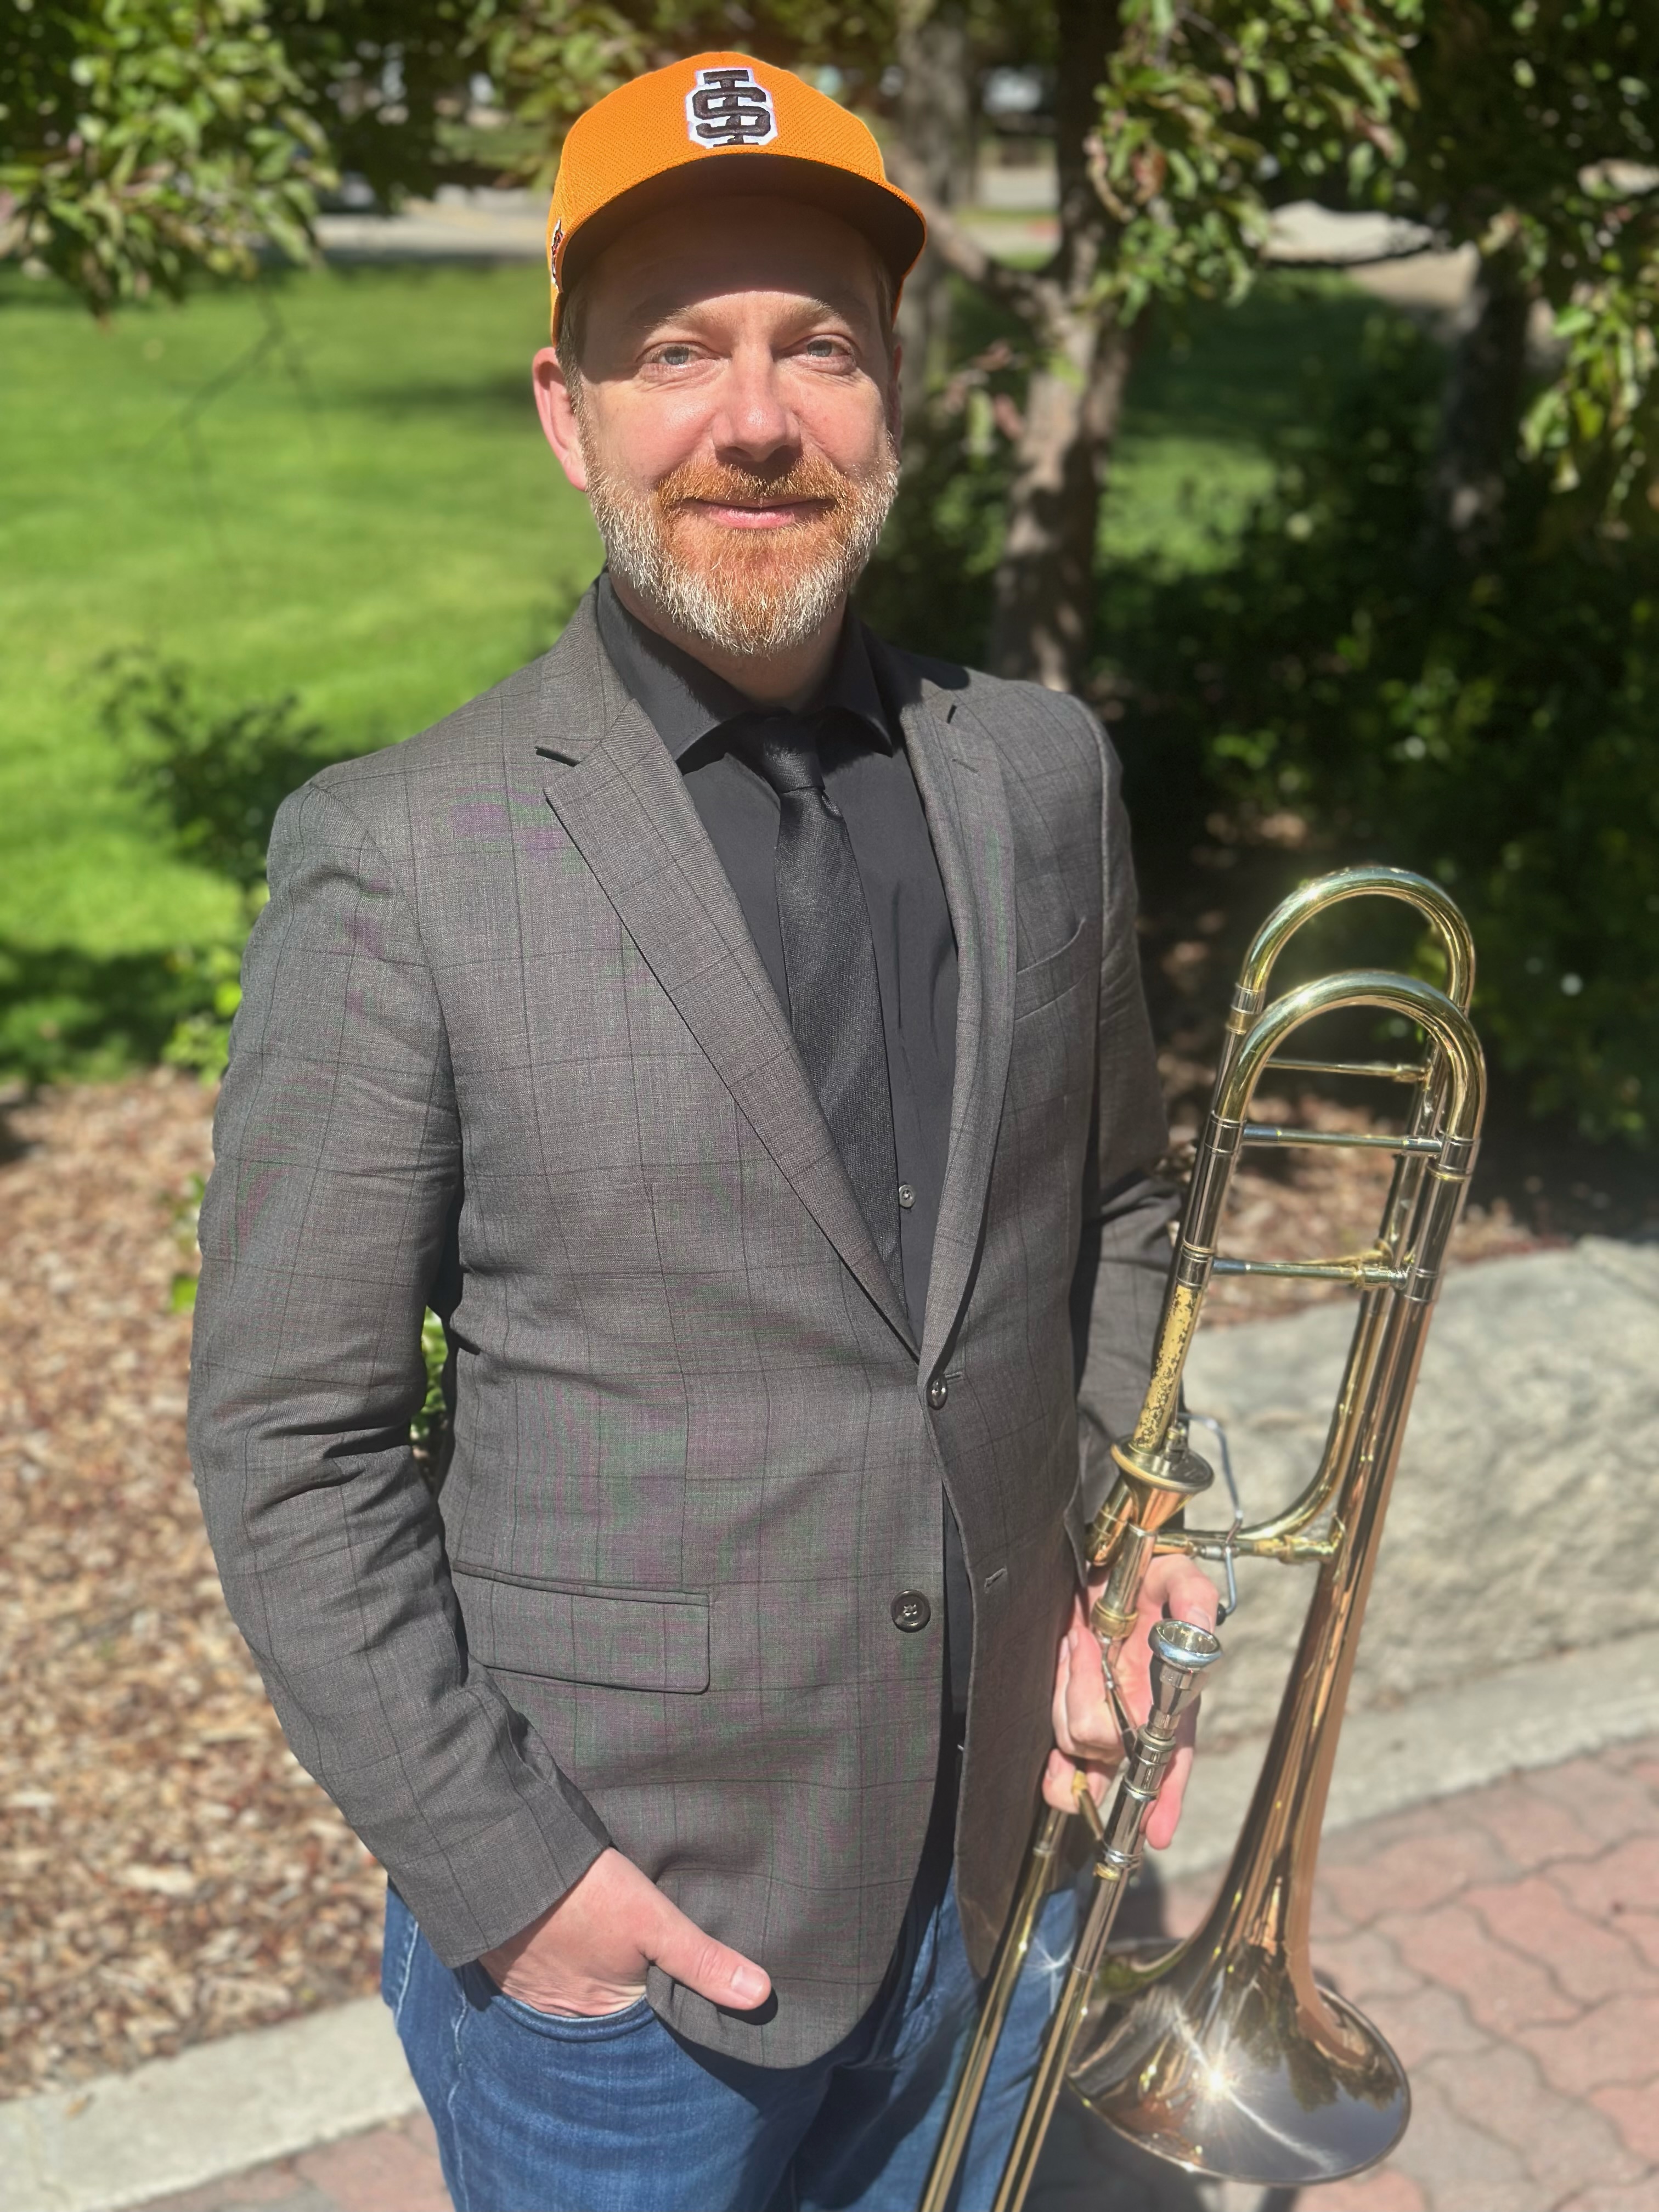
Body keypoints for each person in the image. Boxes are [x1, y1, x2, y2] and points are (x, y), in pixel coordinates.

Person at [187, 49, 1217, 2212]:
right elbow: (294, 1438)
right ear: (568, 413)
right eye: (679, 353)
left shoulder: (1037, 775)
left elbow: (1119, 1206)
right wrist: (511, 1877)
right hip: (634, 1969)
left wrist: (1122, 1561)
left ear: (893, 395)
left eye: (816, 346)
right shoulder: (403, 858)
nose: (757, 417)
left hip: (1003, 1864)